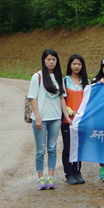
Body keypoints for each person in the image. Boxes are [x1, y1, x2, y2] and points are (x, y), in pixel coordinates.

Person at [28, 49, 71, 190]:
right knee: (40, 150)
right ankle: (41, 178)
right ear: (44, 60)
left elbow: (62, 98)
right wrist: (38, 117)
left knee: (52, 148)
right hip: (41, 119)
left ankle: (51, 177)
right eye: (48, 59)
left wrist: (66, 117)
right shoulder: (37, 77)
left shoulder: (59, 77)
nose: (51, 62)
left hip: (55, 119)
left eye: (54, 59)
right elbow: (33, 98)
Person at [61, 53, 88, 185]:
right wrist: (71, 112)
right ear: (70, 65)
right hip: (68, 120)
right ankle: (69, 173)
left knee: (79, 147)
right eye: (74, 64)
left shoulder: (86, 82)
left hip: (81, 121)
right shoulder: (65, 81)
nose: (77, 66)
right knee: (68, 147)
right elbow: (61, 100)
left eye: (79, 64)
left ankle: (77, 172)